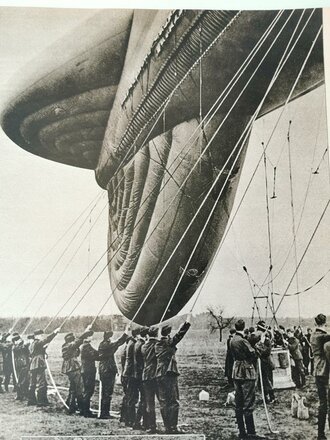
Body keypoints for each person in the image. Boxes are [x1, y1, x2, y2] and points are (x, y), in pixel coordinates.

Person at [155, 314, 191, 435]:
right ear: (169, 333)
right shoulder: (168, 342)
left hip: (159, 374)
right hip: (169, 374)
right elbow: (178, 336)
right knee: (174, 401)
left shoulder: (158, 343)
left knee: (164, 401)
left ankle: (167, 427)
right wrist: (186, 324)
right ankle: (173, 427)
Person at [231, 319, 263, 440]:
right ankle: (251, 433)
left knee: (238, 403)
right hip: (246, 372)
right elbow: (253, 354)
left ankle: (242, 431)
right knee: (248, 402)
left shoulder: (233, 339)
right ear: (243, 327)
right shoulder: (243, 341)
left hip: (236, 371)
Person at [98, 325, 129, 420]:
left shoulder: (103, 344)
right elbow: (118, 343)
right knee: (107, 392)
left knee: (106, 392)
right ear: (110, 337)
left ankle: (105, 412)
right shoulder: (107, 345)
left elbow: (115, 346)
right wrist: (126, 333)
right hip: (108, 370)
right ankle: (104, 413)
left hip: (104, 370)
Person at [61, 326, 93, 415]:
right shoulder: (69, 346)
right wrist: (86, 331)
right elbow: (78, 341)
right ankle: (81, 409)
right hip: (73, 367)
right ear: (71, 340)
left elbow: (77, 343)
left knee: (73, 387)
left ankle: (71, 406)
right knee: (79, 387)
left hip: (70, 368)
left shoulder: (67, 346)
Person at [310, 313, 330, 440]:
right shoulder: (322, 336)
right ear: (325, 323)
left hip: (317, 371)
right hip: (324, 371)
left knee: (323, 403)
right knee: (326, 404)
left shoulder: (313, 335)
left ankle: (320, 434)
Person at [28, 328, 59, 406]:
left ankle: (31, 400)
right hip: (38, 364)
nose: (42, 336)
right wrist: (54, 333)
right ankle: (41, 401)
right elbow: (47, 339)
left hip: (33, 364)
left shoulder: (32, 344)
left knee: (33, 383)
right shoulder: (37, 343)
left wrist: (44, 348)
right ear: (37, 336)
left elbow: (37, 351)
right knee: (42, 382)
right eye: (41, 335)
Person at [141, 326, 159, 434]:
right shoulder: (157, 344)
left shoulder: (144, 346)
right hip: (155, 375)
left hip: (146, 375)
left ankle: (150, 426)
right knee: (162, 400)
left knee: (149, 402)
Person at [122, 327, 140, 427]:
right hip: (131, 375)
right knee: (132, 398)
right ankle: (130, 420)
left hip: (128, 374)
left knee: (130, 397)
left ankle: (126, 418)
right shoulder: (133, 344)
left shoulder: (129, 343)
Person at [255, 321, 275, 404]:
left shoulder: (267, 341)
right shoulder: (259, 340)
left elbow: (266, 352)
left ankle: (272, 397)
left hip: (266, 363)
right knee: (262, 381)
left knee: (267, 381)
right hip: (261, 363)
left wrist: (260, 345)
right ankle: (265, 397)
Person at [133, 326, 149, 430]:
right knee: (144, 399)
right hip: (142, 375)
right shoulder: (142, 345)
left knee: (143, 399)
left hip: (137, 375)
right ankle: (140, 422)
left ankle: (138, 422)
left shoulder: (137, 343)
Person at [80, 335, 99, 418]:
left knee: (87, 390)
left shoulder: (86, 346)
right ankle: (85, 411)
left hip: (86, 370)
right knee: (88, 390)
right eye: (90, 336)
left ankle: (84, 410)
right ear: (87, 338)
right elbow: (94, 355)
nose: (91, 337)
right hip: (88, 371)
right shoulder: (86, 347)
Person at [12, 334, 30, 401]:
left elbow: (26, 350)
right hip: (20, 365)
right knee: (21, 380)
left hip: (24, 365)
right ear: (15, 341)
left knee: (26, 380)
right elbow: (19, 348)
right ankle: (20, 395)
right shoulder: (15, 347)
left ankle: (24, 394)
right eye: (18, 340)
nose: (20, 340)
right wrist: (23, 343)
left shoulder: (21, 346)